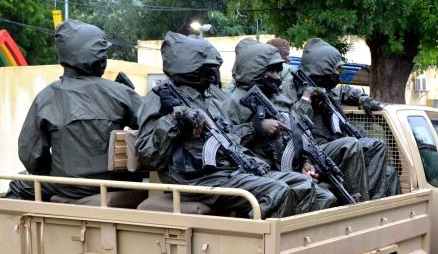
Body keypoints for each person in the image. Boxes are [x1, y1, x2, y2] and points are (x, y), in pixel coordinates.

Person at [134, 32, 324, 218]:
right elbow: (147, 155)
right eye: (207, 68)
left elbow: (228, 134)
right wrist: (174, 119)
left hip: (227, 169)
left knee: (304, 185)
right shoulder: (162, 98)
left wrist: (251, 151)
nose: (213, 73)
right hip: (194, 177)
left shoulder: (211, 97)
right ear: (190, 67)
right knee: (277, 192)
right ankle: (259, 244)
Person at [7, 20, 144, 204]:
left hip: (65, 186)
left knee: (19, 184)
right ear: (98, 59)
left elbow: (30, 155)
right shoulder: (121, 93)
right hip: (113, 184)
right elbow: (151, 125)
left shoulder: (46, 97)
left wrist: (55, 172)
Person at [220, 38, 336, 210]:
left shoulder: (274, 97)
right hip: (257, 171)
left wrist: (303, 162)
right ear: (256, 70)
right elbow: (225, 143)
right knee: (301, 190)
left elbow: (290, 135)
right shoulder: (235, 102)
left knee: (326, 197)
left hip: (283, 167)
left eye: (277, 71)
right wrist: (257, 127)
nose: (276, 76)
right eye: (271, 71)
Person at [286, 38, 399, 199]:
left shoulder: (327, 91)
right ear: (323, 69)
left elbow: (343, 91)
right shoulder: (295, 91)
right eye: (335, 70)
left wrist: (362, 98)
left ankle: (376, 206)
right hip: (314, 152)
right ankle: (363, 205)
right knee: (351, 144)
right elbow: (296, 122)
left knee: (379, 148)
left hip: (335, 150)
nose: (338, 74)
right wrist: (307, 97)